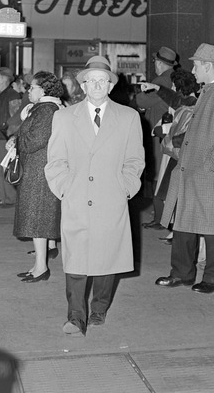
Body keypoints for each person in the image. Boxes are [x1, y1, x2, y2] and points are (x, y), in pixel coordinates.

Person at [45, 55, 145, 335]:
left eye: (103, 81)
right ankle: (76, 317)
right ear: (84, 86)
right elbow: (55, 161)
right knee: (76, 261)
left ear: (111, 86)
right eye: (92, 81)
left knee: (107, 259)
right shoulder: (64, 118)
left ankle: (99, 308)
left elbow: (135, 161)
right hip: (76, 198)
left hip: (111, 199)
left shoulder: (128, 117)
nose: (98, 85)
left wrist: (125, 187)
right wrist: (65, 188)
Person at [155, 45, 214, 293]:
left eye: (196, 65)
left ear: (208, 65)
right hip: (192, 170)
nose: (193, 70)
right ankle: (182, 273)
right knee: (184, 224)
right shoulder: (209, 91)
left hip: (210, 176)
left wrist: (209, 169)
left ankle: (213, 279)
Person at [10, 71, 64, 283]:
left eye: (32, 87)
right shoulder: (43, 109)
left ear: (43, 90)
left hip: (38, 173)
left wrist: (17, 140)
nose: (28, 90)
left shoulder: (46, 111)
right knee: (38, 221)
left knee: (39, 220)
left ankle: (41, 268)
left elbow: (33, 141)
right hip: (36, 170)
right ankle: (39, 265)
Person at [135, 46, 179, 226]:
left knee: (158, 173)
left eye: (155, 62)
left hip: (158, 131)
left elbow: (142, 100)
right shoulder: (172, 78)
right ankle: (163, 215)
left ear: (159, 63)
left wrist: (139, 93)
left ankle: (160, 218)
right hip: (167, 129)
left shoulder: (162, 80)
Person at [0, 67, 22, 208]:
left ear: (4, 78)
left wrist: (12, 136)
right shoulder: (2, 94)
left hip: (6, 138)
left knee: (6, 168)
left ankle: (10, 198)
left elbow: (17, 118)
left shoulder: (12, 95)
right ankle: (4, 197)